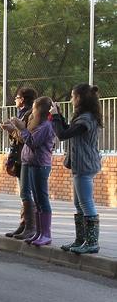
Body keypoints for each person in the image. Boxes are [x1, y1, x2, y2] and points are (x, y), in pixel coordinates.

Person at [51, 84, 103, 254]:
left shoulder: (86, 119)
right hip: (81, 165)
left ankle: (92, 242)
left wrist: (56, 116)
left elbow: (63, 134)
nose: (72, 99)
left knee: (86, 203)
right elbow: (67, 130)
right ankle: (81, 240)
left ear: (80, 98)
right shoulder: (84, 117)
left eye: (73, 96)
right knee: (78, 203)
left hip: (85, 165)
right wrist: (58, 116)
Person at [4, 96, 56, 246]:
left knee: (42, 199)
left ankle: (45, 233)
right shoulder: (38, 124)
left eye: (34, 109)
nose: (32, 112)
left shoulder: (46, 126)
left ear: (40, 110)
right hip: (31, 163)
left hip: (40, 165)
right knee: (38, 201)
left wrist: (21, 128)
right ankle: (39, 232)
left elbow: (33, 142)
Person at [1, 88, 37, 239]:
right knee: (24, 193)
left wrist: (11, 130)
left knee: (26, 193)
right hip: (20, 157)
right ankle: (24, 224)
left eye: (16, 97)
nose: (15, 100)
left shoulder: (29, 115)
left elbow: (26, 137)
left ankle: (30, 226)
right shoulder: (22, 114)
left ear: (22, 99)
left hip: (26, 158)